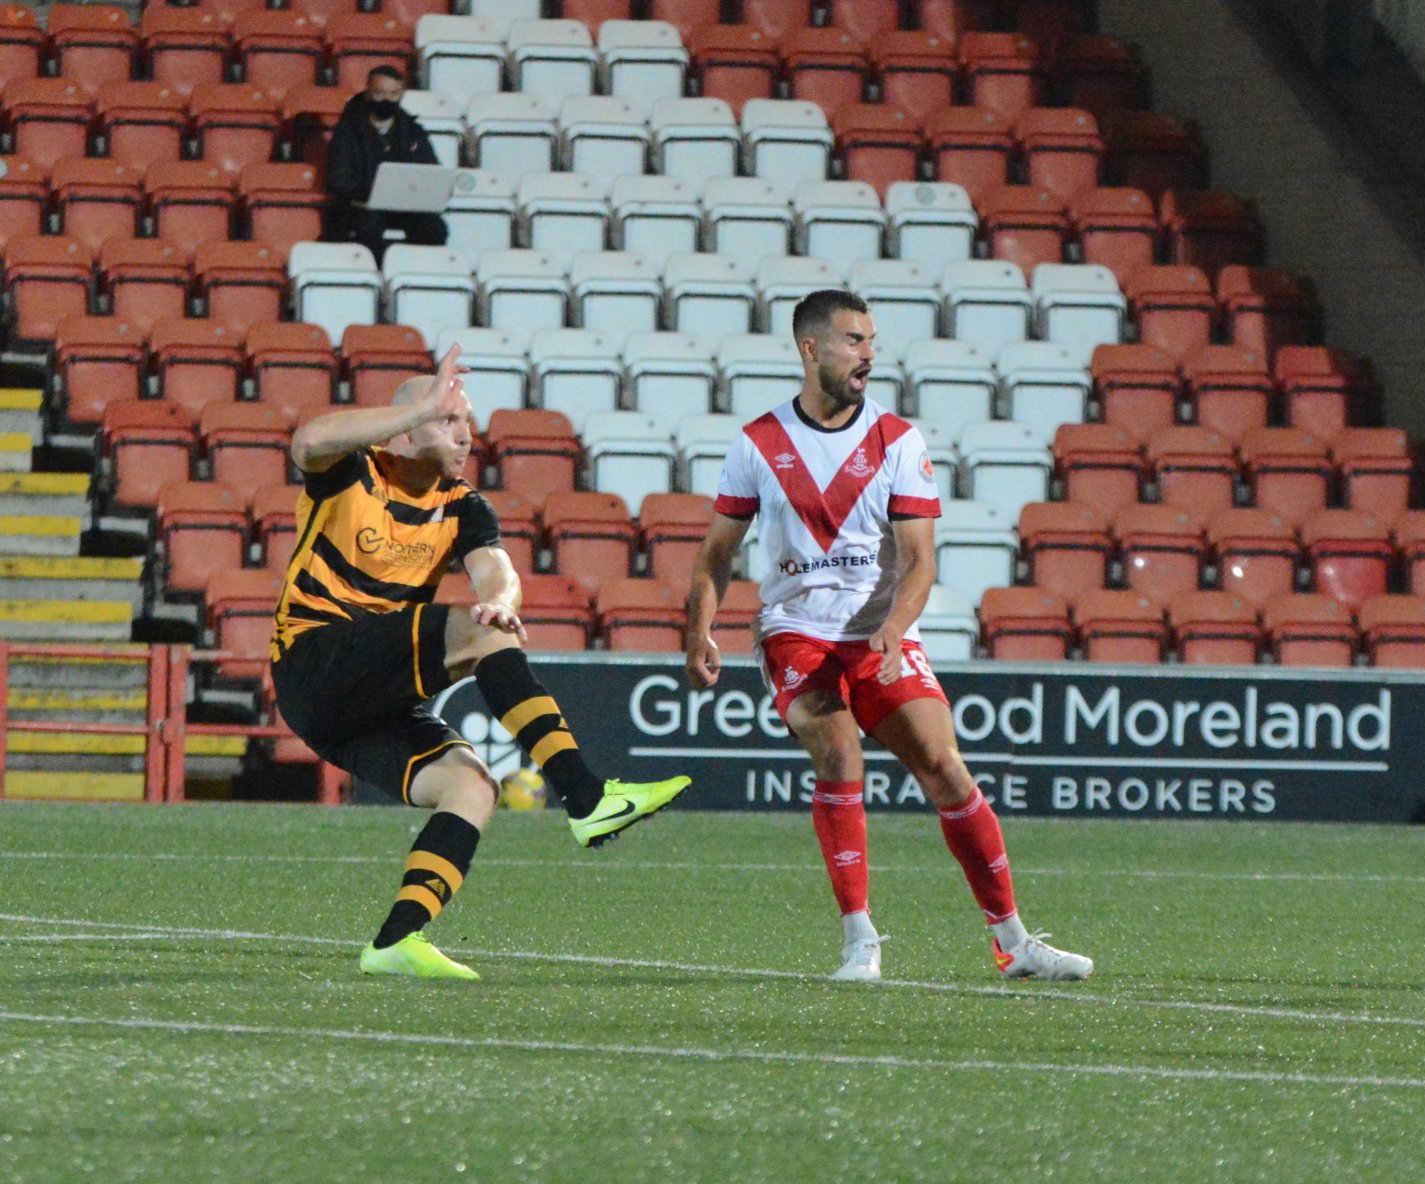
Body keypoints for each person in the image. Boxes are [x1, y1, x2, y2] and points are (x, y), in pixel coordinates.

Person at [683, 289, 1093, 984]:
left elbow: (921, 559)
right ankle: (859, 940)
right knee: (840, 752)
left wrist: (895, 629)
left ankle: (1013, 941)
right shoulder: (759, 443)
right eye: (852, 340)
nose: (868, 354)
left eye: (871, 340)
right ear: (810, 349)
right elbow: (717, 552)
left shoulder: (898, 442)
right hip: (796, 633)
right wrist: (699, 630)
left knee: (944, 766)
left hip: (879, 632)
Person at [272, 345, 691, 980]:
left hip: (353, 707)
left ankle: (396, 941)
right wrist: (410, 411)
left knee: (471, 786)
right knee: (478, 636)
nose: (466, 435)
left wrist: (499, 601)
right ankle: (584, 796)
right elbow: (308, 440)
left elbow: (498, 573)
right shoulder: (353, 471)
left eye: (467, 422)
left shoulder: (464, 504)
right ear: (406, 427)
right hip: (316, 657)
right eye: (448, 420)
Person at [323, 65, 447, 264]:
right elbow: (338, 179)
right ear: (368, 92)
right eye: (380, 93)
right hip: (359, 207)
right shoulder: (348, 131)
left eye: (394, 93)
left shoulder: (413, 131)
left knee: (434, 227)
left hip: (402, 206)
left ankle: (415, 274)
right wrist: (369, 194)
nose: (387, 100)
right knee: (367, 226)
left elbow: (430, 170)